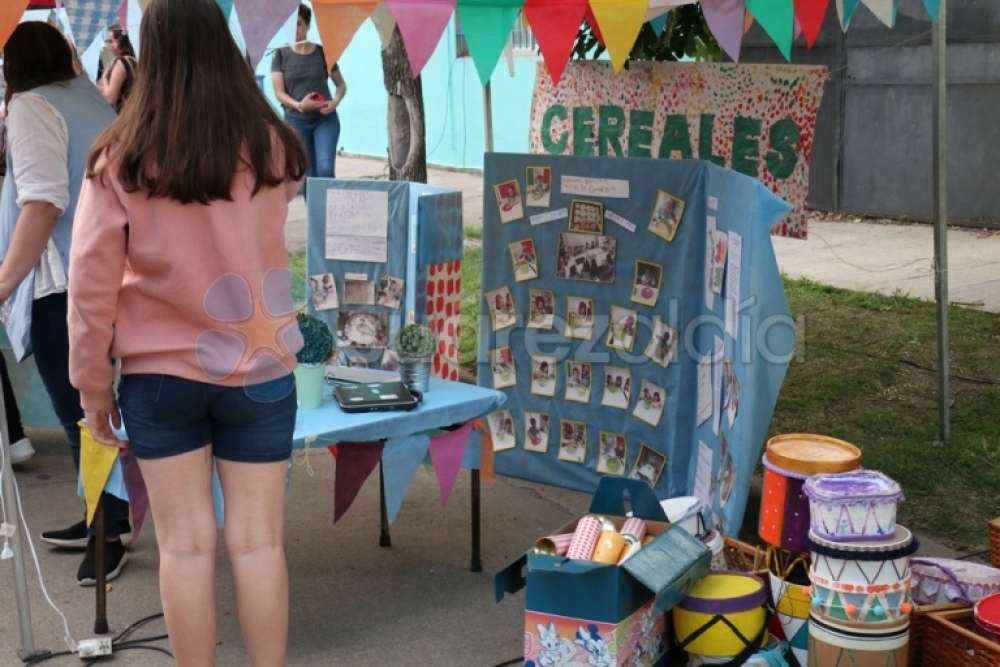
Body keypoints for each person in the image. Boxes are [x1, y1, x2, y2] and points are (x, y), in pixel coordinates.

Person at [67, 0, 306, 663]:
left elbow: (89, 291)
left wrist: (91, 390)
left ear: (154, 53)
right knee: (258, 542)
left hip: (160, 377)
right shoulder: (274, 147)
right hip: (261, 370)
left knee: (185, 545)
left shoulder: (120, 158)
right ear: (225, 48)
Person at [0, 21, 131, 584]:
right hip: (114, 273)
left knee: (82, 412)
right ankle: (103, 514)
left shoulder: (31, 106)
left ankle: (107, 529)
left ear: (13, 71)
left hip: (65, 284)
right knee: (95, 408)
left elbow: (43, 203)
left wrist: (3, 284)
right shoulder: (88, 99)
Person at [271, 3, 346, 188]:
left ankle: (329, 212)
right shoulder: (280, 54)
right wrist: (298, 106)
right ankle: (315, 216)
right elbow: (279, 93)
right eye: (288, 24)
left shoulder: (323, 53)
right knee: (307, 175)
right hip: (296, 121)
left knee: (325, 168)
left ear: (308, 25)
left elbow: (341, 85)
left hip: (324, 120)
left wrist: (335, 102)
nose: (293, 29)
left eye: (298, 23)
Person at [97, 26, 137, 113]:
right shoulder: (134, 61)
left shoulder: (120, 62)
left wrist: (104, 77)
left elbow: (110, 98)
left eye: (111, 41)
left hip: (125, 115)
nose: (109, 46)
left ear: (120, 41)